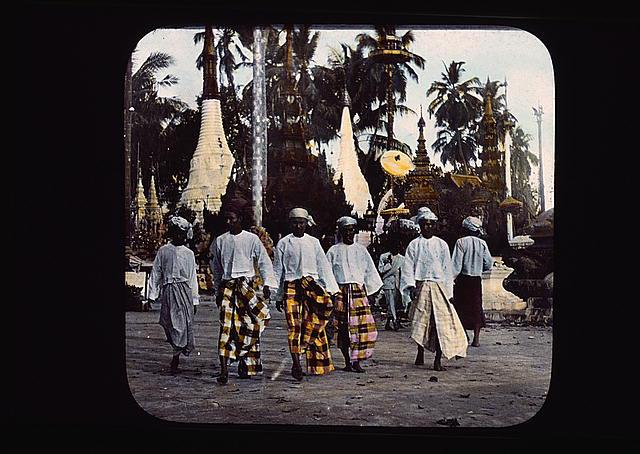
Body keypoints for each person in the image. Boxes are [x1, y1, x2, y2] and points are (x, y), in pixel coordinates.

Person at [209, 206, 277, 385]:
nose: (228, 222)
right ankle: (223, 370)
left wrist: (268, 283)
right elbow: (216, 269)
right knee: (226, 327)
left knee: (252, 323)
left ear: (240, 218)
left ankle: (245, 362)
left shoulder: (251, 239)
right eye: (226, 219)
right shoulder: (220, 240)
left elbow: (263, 261)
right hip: (228, 288)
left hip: (247, 287)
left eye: (232, 218)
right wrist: (218, 291)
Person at [273, 208, 340, 381]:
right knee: (294, 326)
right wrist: (278, 295)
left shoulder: (314, 242)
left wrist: (331, 289)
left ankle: (310, 356)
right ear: (290, 224)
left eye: (301, 222)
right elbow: (278, 271)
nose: (298, 226)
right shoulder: (283, 243)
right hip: (292, 287)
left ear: (306, 223)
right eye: (295, 222)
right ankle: (296, 363)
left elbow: (323, 266)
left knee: (312, 324)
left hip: (312, 287)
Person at [400, 207, 467, 371]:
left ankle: (438, 359)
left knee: (441, 324)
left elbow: (447, 269)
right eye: (425, 225)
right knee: (421, 322)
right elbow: (408, 267)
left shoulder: (441, 244)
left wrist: (449, 292)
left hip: (439, 287)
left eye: (431, 225)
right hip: (422, 286)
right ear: (420, 226)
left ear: (434, 226)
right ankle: (420, 351)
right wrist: (411, 286)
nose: (428, 228)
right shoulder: (414, 245)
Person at [326, 216, 383, 373]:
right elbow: (327, 272)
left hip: (358, 292)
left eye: (351, 230)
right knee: (343, 328)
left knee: (362, 328)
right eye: (346, 231)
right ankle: (347, 361)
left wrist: (370, 292)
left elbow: (370, 271)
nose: (349, 234)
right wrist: (332, 291)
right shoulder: (333, 251)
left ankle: (357, 360)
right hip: (341, 292)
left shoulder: (361, 250)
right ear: (341, 232)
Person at [148, 216, 199, 374]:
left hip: (184, 291)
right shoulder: (164, 251)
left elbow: (192, 276)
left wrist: (195, 299)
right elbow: (156, 272)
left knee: (182, 324)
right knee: (169, 323)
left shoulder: (189, 253)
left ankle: (176, 355)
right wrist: (152, 293)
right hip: (169, 291)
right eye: (176, 233)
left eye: (181, 234)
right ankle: (177, 347)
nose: (179, 237)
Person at [451, 216, 494, 347]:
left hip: (463, 280)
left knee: (461, 307)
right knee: (476, 308)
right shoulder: (482, 243)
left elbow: (456, 265)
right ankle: (476, 339)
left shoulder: (461, 242)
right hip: (476, 280)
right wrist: (479, 268)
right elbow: (488, 263)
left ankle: (464, 335)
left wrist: (451, 279)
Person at [378, 240, 405, 331]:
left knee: (392, 303)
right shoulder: (384, 256)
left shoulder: (402, 259)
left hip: (397, 283)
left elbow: (404, 272)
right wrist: (388, 263)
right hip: (387, 282)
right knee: (391, 302)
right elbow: (380, 270)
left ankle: (387, 323)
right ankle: (395, 320)